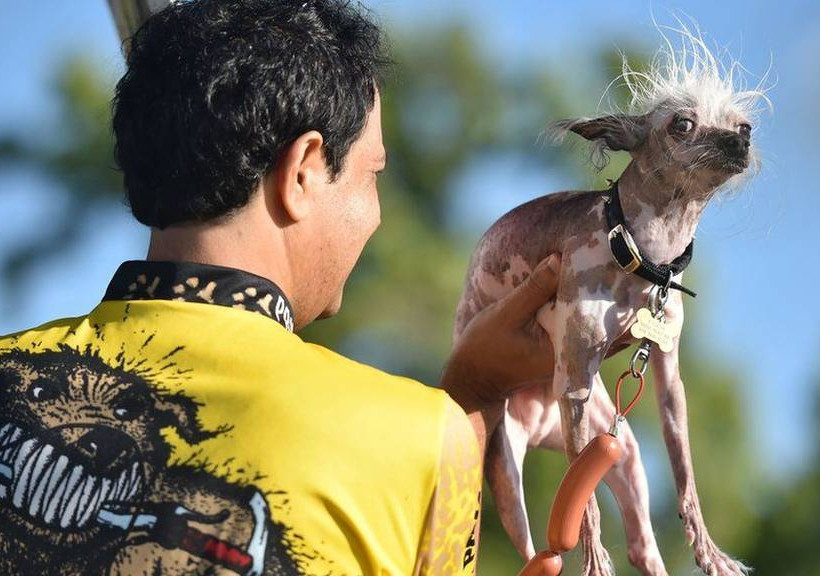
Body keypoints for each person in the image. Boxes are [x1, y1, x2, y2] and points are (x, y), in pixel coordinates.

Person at [0, 1, 559, 574]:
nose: (378, 216)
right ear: (303, 170)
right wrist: (474, 393)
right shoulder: (416, 439)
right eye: (374, 175)